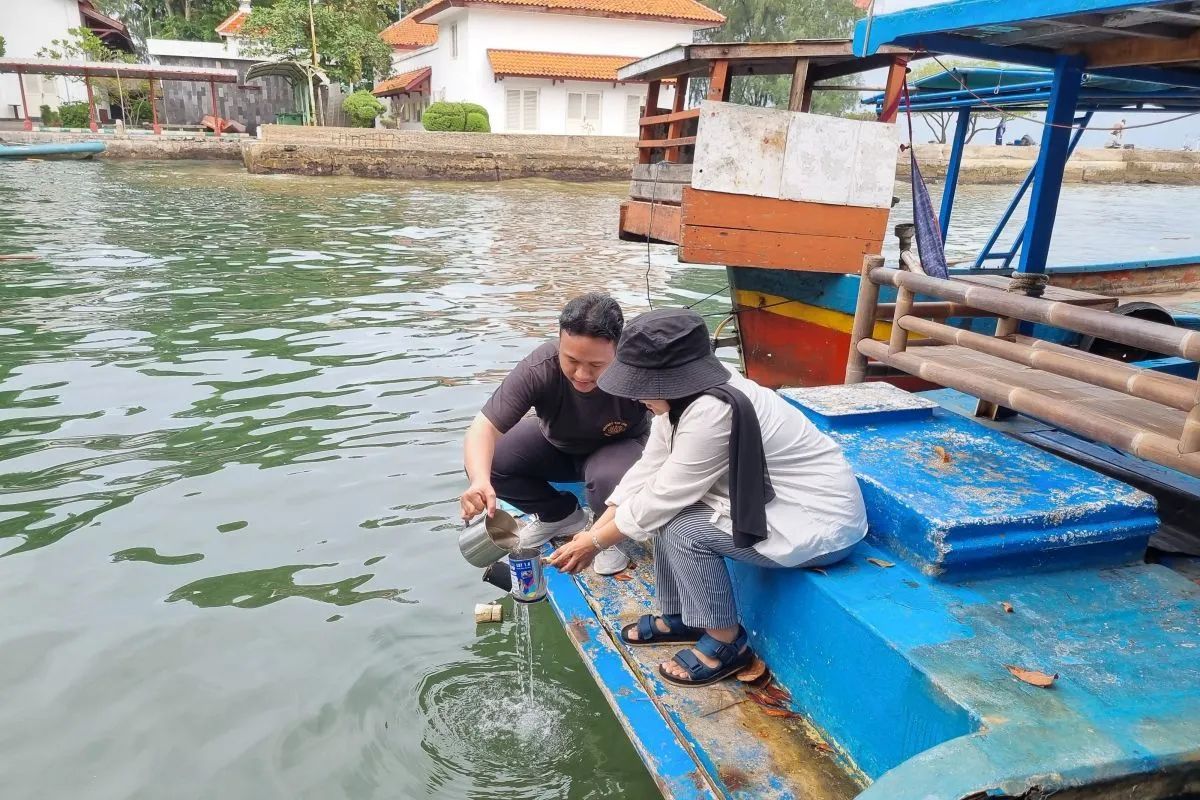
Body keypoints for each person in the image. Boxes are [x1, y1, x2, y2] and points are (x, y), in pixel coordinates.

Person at [548, 309, 868, 687]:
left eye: (640, 384)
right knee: (664, 512)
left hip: (817, 524)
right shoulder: (687, 396)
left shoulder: (712, 411)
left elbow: (664, 496)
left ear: (668, 379)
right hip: (770, 505)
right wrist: (589, 535)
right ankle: (685, 614)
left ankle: (726, 643)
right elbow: (649, 469)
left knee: (682, 526)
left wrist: (594, 543)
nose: (633, 394)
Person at [460, 293, 649, 574]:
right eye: (571, 360)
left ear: (618, 349)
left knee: (610, 477)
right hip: (557, 445)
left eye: (596, 365)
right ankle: (560, 514)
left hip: (619, 450)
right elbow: (483, 428)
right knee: (491, 461)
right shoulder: (540, 367)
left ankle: (604, 537)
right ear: (559, 342)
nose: (582, 374)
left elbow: (677, 429)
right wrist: (478, 481)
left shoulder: (638, 370)